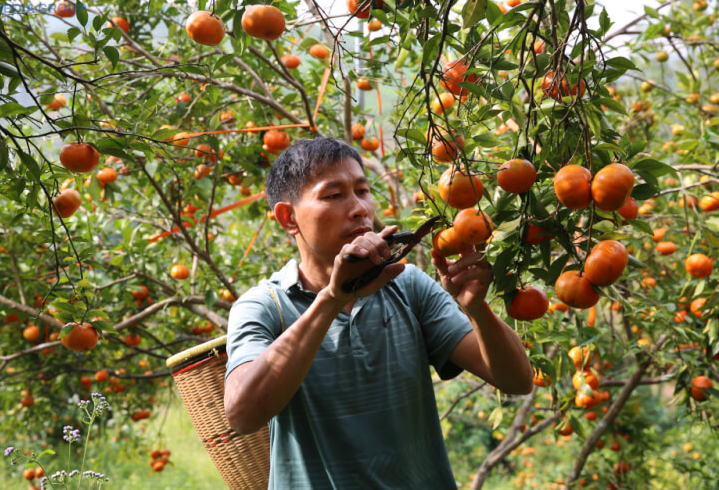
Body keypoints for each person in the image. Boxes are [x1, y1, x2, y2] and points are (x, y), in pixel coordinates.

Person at [224, 137, 532, 488]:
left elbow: (517, 381)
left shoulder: (408, 285)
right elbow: (242, 414)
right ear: (288, 218)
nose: (359, 209)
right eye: (333, 195)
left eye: (363, 190)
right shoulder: (264, 306)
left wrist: (477, 310)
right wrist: (332, 300)